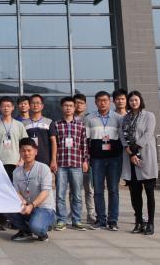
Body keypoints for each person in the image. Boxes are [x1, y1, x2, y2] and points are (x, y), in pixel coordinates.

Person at [120, 91, 158, 235]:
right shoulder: (125, 118)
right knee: (135, 193)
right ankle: (139, 222)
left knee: (149, 192)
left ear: (140, 100)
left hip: (145, 157)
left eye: (136, 100)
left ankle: (150, 223)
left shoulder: (149, 116)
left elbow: (148, 134)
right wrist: (129, 151)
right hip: (130, 159)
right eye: (131, 100)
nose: (133, 102)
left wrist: (135, 149)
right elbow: (122, 135)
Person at [85, 91, 124, 231]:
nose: (103, 103)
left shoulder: (119, 118)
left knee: (113, 190)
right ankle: (101, 220)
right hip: (97, 159)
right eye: (100, 100)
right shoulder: (89, 118)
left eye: (105, 100)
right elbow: (86, 141)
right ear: (95, 102)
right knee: (98, 190)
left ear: (110, 101)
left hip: (114, 159)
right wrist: (86, 159)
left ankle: (113, 220)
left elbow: (123, 138)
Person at [0, 96, 28, 230]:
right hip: (0, 164)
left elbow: (24, 144)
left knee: (16, 191)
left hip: (16, 163)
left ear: (12, 108)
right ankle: (3, 220)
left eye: (8, 106)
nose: (6, 108)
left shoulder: (19, 125)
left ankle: (16, 219)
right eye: (3, 106)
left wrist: (22, 160)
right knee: (1, 191)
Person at [7, 138, 56, 242]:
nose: (26, 153)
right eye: (23, 151)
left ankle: (43, 229)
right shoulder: (16, 172)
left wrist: (32, 205)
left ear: (35, 151)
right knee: (6, 206)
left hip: (44, 208)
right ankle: (26, 231)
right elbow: (17, 191)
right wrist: (23, 201)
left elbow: (45, 191)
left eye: (29, 150)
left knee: (37, 227)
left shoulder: (43, 168)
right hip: (27, 206)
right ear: (20, 152)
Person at [53, 97, 89, 231]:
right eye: (66, 105)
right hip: (61, 164)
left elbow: (84, 144)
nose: (68, 108)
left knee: (77, 195)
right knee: (60, 194)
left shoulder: (81, 125)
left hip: (76, 164)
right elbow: (54, 145)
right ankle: (61, 220)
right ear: (62, 107)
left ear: (74, 108)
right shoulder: (56, 124)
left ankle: (76, 220)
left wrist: (85, 160)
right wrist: (54, 161)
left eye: (70, 106)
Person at [74, 93, 96, 224]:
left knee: (89, 188)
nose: (78, 105)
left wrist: (87, 158)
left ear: (85, 105)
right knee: (74, 189)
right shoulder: (69, 119)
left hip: (87, 159)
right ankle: (74, 213)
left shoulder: (90, 119)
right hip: (73, 159)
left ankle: (90, 213)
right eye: (76, 103)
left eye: (81, 103)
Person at [23, 94, 58, 172]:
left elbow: (53, 142)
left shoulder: (49, 122)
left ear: (42, 106)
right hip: (29, 159)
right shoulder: (24, 123)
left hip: (45, 160)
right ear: (29, 106)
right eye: (33, 103)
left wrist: (53, 160)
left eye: (38, 103)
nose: (35, 105)